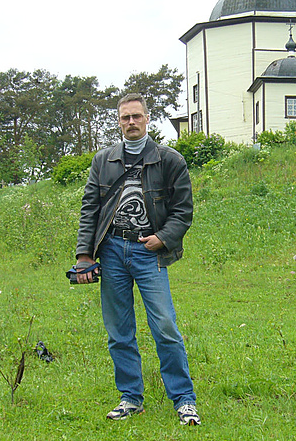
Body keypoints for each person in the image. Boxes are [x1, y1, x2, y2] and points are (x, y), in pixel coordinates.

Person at [73, 93, 200, 426]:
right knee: (119, 331)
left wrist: (164, 238)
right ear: (119, 121)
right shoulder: (103, 160)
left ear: (147, 119)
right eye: (125, 117)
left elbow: (183, 211)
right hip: (112, 250)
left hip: (149, 253)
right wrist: (85, 255)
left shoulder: (170, 160)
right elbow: (90, 209)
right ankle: (131, 397)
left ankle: (184, 400)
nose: (131, 122)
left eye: (136, 116)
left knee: (166, 327)